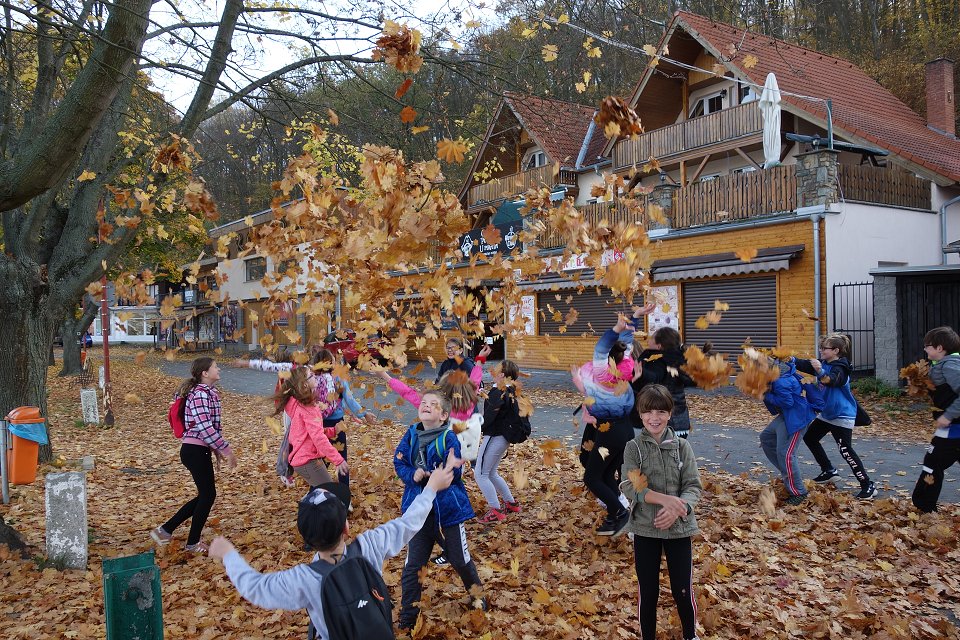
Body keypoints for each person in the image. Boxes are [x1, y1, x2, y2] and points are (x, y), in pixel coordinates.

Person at [208, 455, 462, 640]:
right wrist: (430, 488)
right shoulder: (370, 546)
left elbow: (256, 588)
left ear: (306, 539)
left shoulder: (304, 579)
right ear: (347, 528)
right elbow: (409, 522)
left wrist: (229, 554)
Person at [393, 390, 485, 629]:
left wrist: (437, 476)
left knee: (459, 559)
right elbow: (399, 461)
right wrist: (411, 475)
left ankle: (477, 595)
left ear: (444, 415)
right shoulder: (412, 434)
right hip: (419, 511)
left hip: (448, 511)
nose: (426, 406)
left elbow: (454, 471)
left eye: (433, 405)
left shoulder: (449, 437)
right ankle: (408, 617)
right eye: (423, 403)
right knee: (414, 565)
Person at [619, 384, 703, 640]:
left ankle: (691, 635)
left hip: (679, 529)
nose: (654, 418)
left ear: (669, 414)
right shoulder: (633, 448)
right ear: (640, 414)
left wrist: (680, 508)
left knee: (682, 590)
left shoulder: (682, 447)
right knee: (649, 591)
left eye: (660, 412)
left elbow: (692, 486)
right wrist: (666, 500)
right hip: (645, 528)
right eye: (648, 412)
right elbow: (631, 486)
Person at [571, 307, 649, 536]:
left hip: (610, 432)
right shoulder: (625, 366)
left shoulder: (603, 373)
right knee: (605, 475)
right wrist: (634, 318)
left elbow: (603, 347)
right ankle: (622, 512)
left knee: (592, 477)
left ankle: (619, 513)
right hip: (624, 431)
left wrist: (617, 327)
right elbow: (627, 341)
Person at [151, 357, 237, 553]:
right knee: (207, 495)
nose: (219, 369)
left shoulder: (209, 393)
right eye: (216, 367)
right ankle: (191, 542)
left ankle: (165, 531)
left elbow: (212, 426)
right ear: (204, 373)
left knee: (205, 495)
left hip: (200, 449)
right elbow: (204, 426)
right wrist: (226, 449)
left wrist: (216, 451)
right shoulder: (199, 394)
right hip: (193, 450)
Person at [795, 334, 877, 500]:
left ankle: (868, 485)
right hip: (827, 415)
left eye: (824, 348)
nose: (821, 350)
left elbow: (833, 380)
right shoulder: (824, 363)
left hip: (842, 415)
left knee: (845, 450)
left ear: (836, 350)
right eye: (821, 347)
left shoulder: (841, 368)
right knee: (810, 438)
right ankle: (829, 471)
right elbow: (802, 363)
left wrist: (819, 370)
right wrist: (785, 357)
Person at [275, 366, 349, 489]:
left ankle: (310, 505)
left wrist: (333, 431)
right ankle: (307, 507)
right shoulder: (309, 408)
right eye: (311, 375)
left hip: (303, 459)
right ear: (304, 385)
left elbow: (312, 432)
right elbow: (318, 438)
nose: (315, 376)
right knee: (329, 494)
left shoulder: (299, 402)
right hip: (308, 460)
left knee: (322, 494)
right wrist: (338, 460)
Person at [912, 326, 960, 513]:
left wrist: (948, 416)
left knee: (932, 464)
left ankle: (924, 505)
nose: (925, 349)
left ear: (940, 348)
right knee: (934, 463)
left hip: (953, 429)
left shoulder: (950, 366)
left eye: (928, 346)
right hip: (952, 428)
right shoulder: (943, 365)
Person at [759, 357, 817, 505]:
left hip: (797, 418)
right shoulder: (776, 376)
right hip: (787, 415)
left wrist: (765, 394)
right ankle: (789, 474)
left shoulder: (780, 381)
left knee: (786, 454)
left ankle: (799, 492)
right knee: (767, 438)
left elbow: (787, 402)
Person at [474, 359, 524, 524]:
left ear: (502, 374)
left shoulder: (498, 392)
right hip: (503, 438)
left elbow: (489, 417)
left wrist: (475, 426)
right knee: (491, 473)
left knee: (480, 474)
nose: (492, 369)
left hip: (494, 436)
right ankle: (510, 503)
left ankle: (495, 510)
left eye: (496, 368)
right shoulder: (510, 390)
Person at [631, 326, 696, 438]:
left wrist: (642, 375)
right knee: (675, 453)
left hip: (663, 424)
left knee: (659, 454)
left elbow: (655, 376)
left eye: (651, 339)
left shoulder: (657, 360)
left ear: (659, 346)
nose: (648, 341)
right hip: (681, 422)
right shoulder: (678, 361)